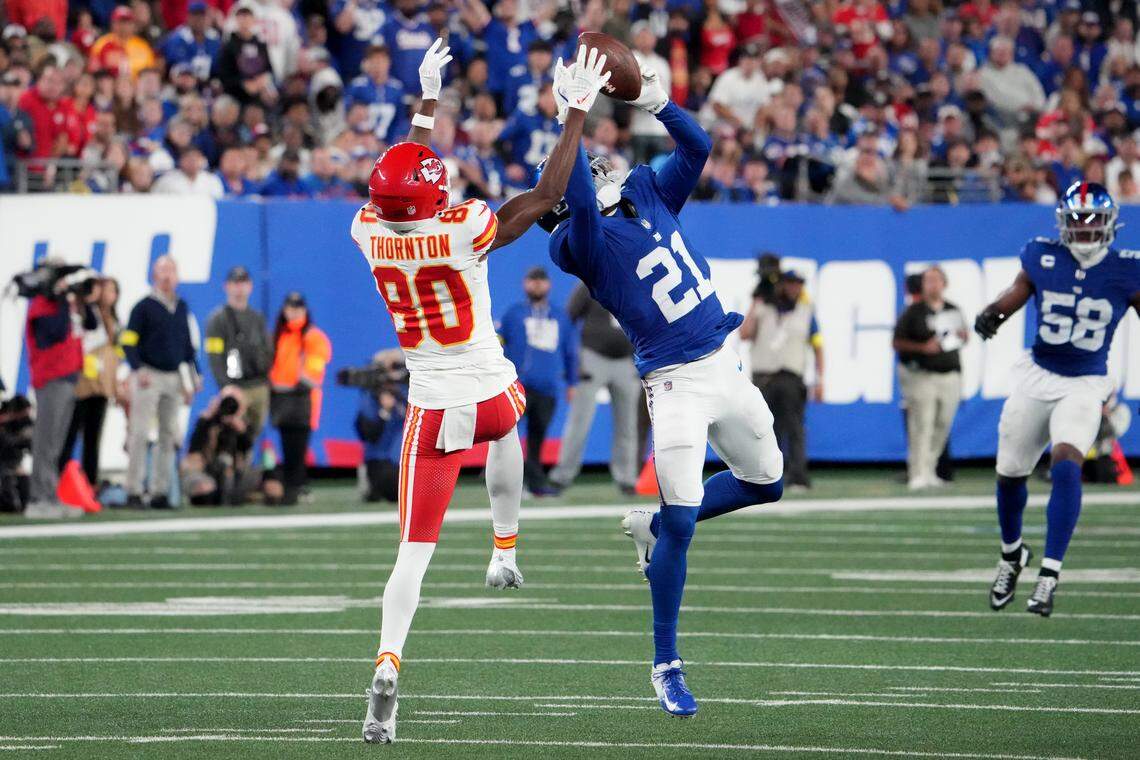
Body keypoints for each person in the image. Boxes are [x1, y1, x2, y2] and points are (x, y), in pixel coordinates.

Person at [354, 40, 609, 744]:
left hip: (432, 409)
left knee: (412, 555)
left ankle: (388, 662)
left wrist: (426, 103)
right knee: (507, 430)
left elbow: (403, 181)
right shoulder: (464, 227)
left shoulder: (368, 231)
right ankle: (504, 547)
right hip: (493, 393)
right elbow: (547, 196)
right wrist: (574, 113)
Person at [542, 67, 784, 717]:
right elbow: (582, 205)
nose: (600, 167)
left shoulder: (646, 191)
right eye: (585, 167)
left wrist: (658, 101)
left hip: (724, 363)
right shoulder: (575, 243)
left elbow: (698, 147)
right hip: (675, 385)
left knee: (768, 482)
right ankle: (665, 663)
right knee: (682, 522)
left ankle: (653, 525)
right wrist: (571, 116)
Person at [975, 181, 1140, 617]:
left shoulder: (1127, 268)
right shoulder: (1042, 255)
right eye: (1077, 220)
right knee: (1010, 474)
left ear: (1110, 224)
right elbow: (1016, 292)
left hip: (1085, 382)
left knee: (1067, 462)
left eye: (1092, 220)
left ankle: (1049, 573)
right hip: (1038, 376)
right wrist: (994, 313)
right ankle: (1012, 554)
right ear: (1063, 223)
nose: (1084, 229)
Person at [121, 255, 201, 509]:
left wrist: (194, 376)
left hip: (173, 376)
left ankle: (160, 491)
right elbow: (128, 341)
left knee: (168, 435)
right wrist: (138, 368)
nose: (167, 276)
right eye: (162, 270)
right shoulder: (143, 306)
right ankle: (134, 490)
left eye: (171, 270)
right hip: (150, 374)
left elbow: (187, 346)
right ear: (154, 275)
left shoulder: (180, 306)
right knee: (140, 432)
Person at [548, 282, 641, 495]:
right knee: (579, 420)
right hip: (592, 357)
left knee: (628, 424)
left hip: (627, 361)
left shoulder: (634, 283)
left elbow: (648, 321)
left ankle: (627, 479)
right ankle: (562, 476)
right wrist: (575, 360)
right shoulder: (590, 282)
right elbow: (568, 320)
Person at [23, 262, 98, 519]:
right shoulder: (43, 305)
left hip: (69, 377)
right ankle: (38, 498)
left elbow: (91, 324)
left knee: (57, 443)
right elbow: (54, 333)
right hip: (50, 378)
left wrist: (81, 300)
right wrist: (63, 302)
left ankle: (51, 495)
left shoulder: (65, 303)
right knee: (46, 441)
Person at [740, 270, 823, 491]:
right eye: (791, 284)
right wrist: (756, 301)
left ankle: (797, 476)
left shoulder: (806, 311)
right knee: (761, 428)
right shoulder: (764, 308)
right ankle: (762, 476)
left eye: (798, 284)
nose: (795, 288)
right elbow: (744, 334)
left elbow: (817, 345)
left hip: (791, 377)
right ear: (781, 285)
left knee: (795, 428)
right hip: (764, 377)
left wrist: (820, 378)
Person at [497, 266, 578, 496]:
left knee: (537, 437)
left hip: (547, 387)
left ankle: (535, 483)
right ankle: (505, 481)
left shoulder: (560, 316)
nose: (537, 284)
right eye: (533, 280)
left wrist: (572, 383)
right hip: (518, 385)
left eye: (541, 280)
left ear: (549, 284)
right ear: (525, 283)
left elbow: (570, 352)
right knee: (508, 436)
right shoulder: (514, 314)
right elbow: (499, 346)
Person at [892, 265, 967, 490]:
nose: (932, 285)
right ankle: (917, 472)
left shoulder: (952, 309)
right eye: (928, 280)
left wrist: (963, 336)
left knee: (942, 424)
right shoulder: (913, 311)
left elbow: (961, 338)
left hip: (949, 374)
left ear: (944, 284)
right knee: (921, 424)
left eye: (936, 280)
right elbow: (897, 342)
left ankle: (930, 469)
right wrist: (923, 348)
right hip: (922, 375)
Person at [268, 292, 331, 506]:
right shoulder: (280, 334)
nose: (293, 312)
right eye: (290, 307)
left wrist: (283, 387)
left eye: (297, 308)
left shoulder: (313, 336)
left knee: (297, 448)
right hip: (282, 401)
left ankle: (294, 489)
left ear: (304, 310)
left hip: (303, 401)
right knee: (287, 448)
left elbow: (313, 373)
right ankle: (294, 487)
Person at [58, 277, 121, 488]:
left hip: (101, 386)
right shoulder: (85, 312)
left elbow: (113, 354)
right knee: (70, 434)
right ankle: (59, 480)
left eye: (113, 291)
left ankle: (89, 484)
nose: (110, 295)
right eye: (106, 290)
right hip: (81, 384)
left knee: (93, 438)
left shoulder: (112, 319)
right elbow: (85, 339)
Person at [204, 266, 273, 441]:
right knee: (231, 435)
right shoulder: (217, 319)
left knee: (251, 438)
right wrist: (226, 386)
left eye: (243, 283)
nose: (239, 288)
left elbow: (268, 350)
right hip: (235, 388)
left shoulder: (257, 318)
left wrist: (266, 381)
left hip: (259, 386)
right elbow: (214, 357)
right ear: (226, 286)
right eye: (235, 283)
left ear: (250, 286)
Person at [180, 385, 257, 506]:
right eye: (226, 401)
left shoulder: (244, 426)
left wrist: (241, 430)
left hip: (236, 476)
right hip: (207, 471)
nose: (229, 406)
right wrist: (207, 419)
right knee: (202, 486)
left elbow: (248, 450)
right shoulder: (208, 421)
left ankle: (230, 496)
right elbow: (194, 451)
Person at [354, 350, 408, 504]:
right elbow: (368, 434)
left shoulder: (408, 391)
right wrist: (384, 411)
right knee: (392, 488)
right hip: (380, 458)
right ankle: (370, 483)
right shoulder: (370, 397)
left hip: (405, 456)